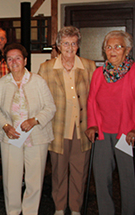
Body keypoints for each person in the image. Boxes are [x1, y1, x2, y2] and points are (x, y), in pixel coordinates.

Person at [85, 30, 135, 215]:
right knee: (101, 180)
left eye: (118, 46)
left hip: (128, 135)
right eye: (109, 47)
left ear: (128, 50)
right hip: (102, 135)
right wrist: (92, 124)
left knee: (130, 182)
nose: (113, 50)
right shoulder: (99, 73)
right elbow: (91, 101)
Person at [38, 26, 96, 215]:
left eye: (73, 43)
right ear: (58, 45)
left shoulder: (89, 66)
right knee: (59, 172)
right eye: (65, 43)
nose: (69, 47)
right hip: (58, 128)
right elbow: (40, 99)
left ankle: (77, 209)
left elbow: (95, 98)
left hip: (82, 129)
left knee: (80, 172)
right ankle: (60, 207)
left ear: (78, 46)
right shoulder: (46, 68)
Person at [0, 43, 56, 215]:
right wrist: (6, 126)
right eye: (10, 59)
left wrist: (35, 120)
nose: (14, 61)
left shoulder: (38, 81)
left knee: (34, 180)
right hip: (11, 138)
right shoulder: (1, 84)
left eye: (18, 58)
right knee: (11, 180)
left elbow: (50, 107)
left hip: (36, 137)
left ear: (25, 61)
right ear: (6, 62)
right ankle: (13, 212)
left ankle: (30, 212)